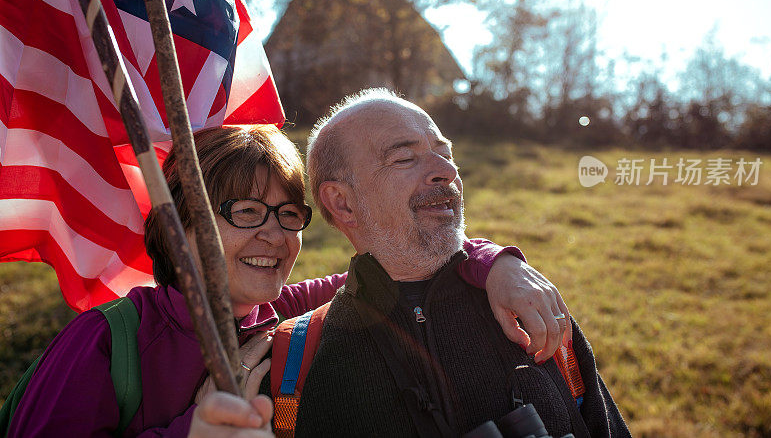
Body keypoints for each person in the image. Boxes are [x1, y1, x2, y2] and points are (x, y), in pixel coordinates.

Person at [8, 124, 571, 437]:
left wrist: (499, 264)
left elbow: (402, 262)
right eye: (246, 211)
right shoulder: (108, 343)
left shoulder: (286, 316)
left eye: (287, 213)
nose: (275, 236)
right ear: (181, 223)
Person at [293, 89, 631, 437]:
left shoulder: (530, 308)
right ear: (342, 202)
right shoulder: (297, 359)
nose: (446, 171)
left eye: (445, 153)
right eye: (405, 158)